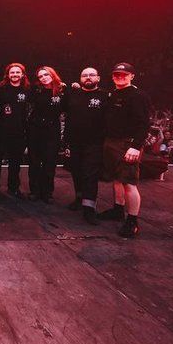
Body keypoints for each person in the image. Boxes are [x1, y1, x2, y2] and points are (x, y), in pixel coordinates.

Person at [102, 62, 151, 237]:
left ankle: (132, 221)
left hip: (127, 144)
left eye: (124, 74)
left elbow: (144, 124)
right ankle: (118, 209)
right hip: (111, 142)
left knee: (129, 182)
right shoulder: (112, 94)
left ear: (132, 76)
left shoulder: (138, 95)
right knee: (117, 178)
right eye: (116, 74)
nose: (120, 77)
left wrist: (136, 146)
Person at [65, 67, 109, 225]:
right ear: (80, 79)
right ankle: (79, 198)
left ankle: (89, 208)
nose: (88, 78)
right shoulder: (72, 94)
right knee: (76, 171)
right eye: (84, 75)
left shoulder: (105, 96)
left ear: (98, 78)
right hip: (75, 141)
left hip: (95, 143)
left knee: (90, 175)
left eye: (91, 75)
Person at [27, 66, 65, 203]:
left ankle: (47, 192)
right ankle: (34, 191)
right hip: (36, 130)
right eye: (40, 76)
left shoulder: (62, 91)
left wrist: (75, 85)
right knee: (35, 162)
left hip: (52, 131)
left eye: (46, 74)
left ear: (52, 74)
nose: (43, 77)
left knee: (50, 164)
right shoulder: (35, 90)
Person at [0, 63, 30, 198]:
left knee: (15, 163)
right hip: (1, 131)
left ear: (22, 74)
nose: (15, 74)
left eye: (17, 72)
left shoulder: (27, 90)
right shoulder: (1, 89)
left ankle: (13, 188)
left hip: (19, 132)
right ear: (8, 74)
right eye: (12, 72)